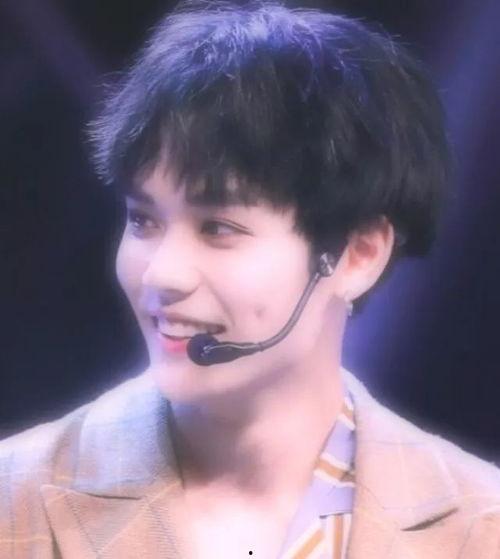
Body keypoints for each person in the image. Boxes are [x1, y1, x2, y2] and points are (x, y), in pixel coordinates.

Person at [2, 1, 500, 557]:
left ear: (358, 254)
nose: (162, 274)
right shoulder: (14, 502)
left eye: (218, 228)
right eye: (143, 221)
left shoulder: (482, 525)